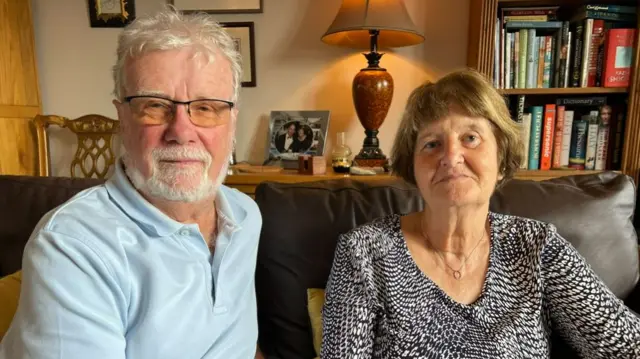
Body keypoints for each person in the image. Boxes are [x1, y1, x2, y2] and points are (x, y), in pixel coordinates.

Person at [0, 7, 264, 359]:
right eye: (154, 105)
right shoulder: (71, 248)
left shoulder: (246, 215)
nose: (182, 132)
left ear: (232, 119)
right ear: (121, 117)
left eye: (206, 107)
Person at [320, 69, 640, 358]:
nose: (451, 156)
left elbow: (627, 346)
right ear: (412, 168)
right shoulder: (363, 252)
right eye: (432, 144)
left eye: (470, 138)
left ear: (500, 161)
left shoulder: (537, 246)